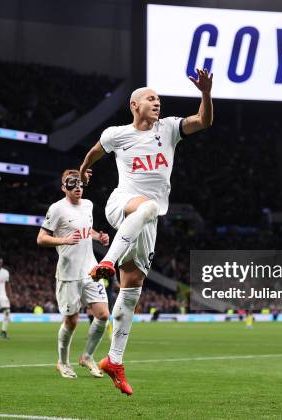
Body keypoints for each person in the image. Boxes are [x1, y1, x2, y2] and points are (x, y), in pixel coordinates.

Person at [78, 68, 213, 395]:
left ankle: (114, 360)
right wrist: (84, 170)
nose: (157, 103)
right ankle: (106, 261)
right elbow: (96, 150)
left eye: (159, 99)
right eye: (151, 98)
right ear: (134, 105)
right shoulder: (117, 134)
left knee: (133, 289)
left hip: (145, 222)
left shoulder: (168, 129)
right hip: (122, 203)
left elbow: (203, 121)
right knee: (148, 206)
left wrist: (206, 93)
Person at [37, 169, 111, 379]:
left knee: (103, 315)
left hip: (90, 270)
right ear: (64, 187)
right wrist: (64, 240)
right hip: (69, 273)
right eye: (72, 185)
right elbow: (41, 238)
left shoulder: (88, 205)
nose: (78, 188)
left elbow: (87, 230)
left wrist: (99, 237)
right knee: (72, 321)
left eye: (80, 184)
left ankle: (87, 356)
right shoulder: (57, 209)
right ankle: (62, 362)